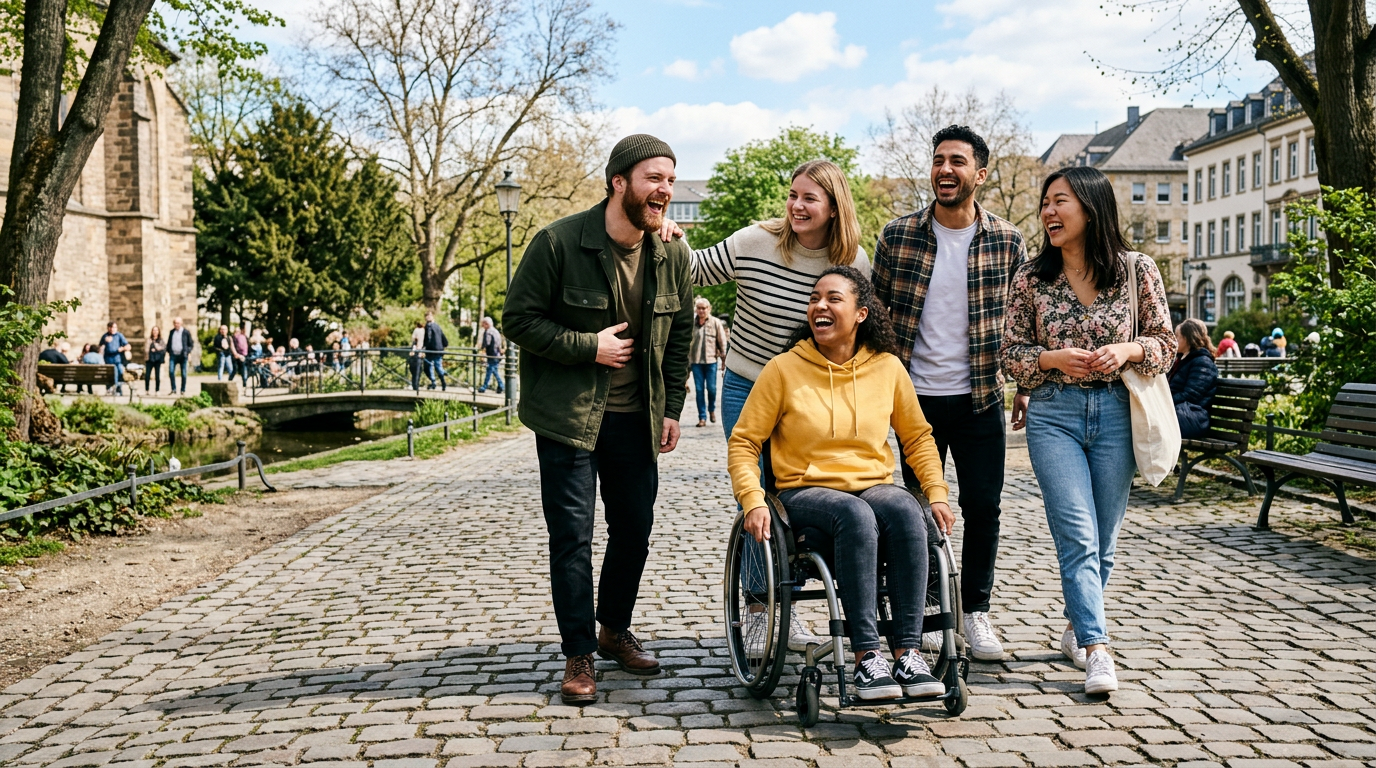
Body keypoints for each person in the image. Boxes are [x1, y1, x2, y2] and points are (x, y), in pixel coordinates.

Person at [504, 134, 693, 705]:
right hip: (568, 419)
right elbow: (519, 319)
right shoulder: (558, 243)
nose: (664, 190)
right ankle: (578, 652)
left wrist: (674, 408)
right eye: (653, 178)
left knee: (634, 529)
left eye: (669, 180)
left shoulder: (672, 252)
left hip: (637, 419)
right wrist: (588, 347)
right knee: (572, 538)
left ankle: (613, 629)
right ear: (619, 182)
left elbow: (680, 333)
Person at [662, 159, 870, 650]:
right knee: (755, 496)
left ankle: (792, 599)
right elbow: (693, 270)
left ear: (834, 206)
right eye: (793, 195)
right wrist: (670, 233)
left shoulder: (854, 262)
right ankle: (761, 610)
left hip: (812, 395)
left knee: (802, 495)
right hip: (747, 385)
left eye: (810, 198)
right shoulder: (756, 241)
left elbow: (862, 329)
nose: (797, 206)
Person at [729, 266, 956, 700]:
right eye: (815, 298)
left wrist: (937, 493)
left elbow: (917, 438)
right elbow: (744, 442)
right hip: (804, 494)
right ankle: (867, 658)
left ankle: (908, 654)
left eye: (833, 299)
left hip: (871, 486)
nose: (819, 305)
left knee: (908, 508)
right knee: (854, 513)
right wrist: (753, 499)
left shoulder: (887, 368)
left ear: (861, 313)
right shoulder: (783, 369)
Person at [1000, 165, 1175, 695]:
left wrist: (1130, 349)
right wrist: (1051, 358)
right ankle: (1099, 649)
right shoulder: (1031, 277)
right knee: (1076, 533)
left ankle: (1077, 623)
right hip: (1054, 416)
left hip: (1120, 414)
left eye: (1061, 201)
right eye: (1046, 203)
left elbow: (1167, 344)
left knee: (1103, 540)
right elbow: (1009, 355)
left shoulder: (1136, 270)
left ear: (1092, 207)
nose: (1049, 212)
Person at [871, 124, 1028, 662]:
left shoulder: (1008, 241)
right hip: (916, 402)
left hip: (981, 398)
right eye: (939, 160)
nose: (945, 170)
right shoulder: (898, 236)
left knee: (983, 508)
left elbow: (1020, 322)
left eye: (957, 162)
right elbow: (879, 319)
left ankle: (976, 613)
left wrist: (1024, 384)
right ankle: (932, 613)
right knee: (916, 511)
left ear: (980, 175)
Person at [1170, 319, 1219, 439]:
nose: (1174, 340)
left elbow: (1191, 395)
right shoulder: (1180, 360)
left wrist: (1165, 403)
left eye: (1177, 336)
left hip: (1193, 418)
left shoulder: (1203, 362)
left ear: (1188, 338)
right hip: (1179, 413)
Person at [688, 297, 727, 428]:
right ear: (696, 309)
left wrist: (723, 360)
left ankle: (711, 409)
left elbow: (722, 342)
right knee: (699, 390)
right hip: (696, 361)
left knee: (711, 389)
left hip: (711, 361)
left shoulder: (715, 322)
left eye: (704, 308)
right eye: (699, 308)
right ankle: (702, 417)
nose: (701, 311)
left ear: (709, 309)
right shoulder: (691, 324)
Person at [99, 322, 131, 395]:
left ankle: (118, 389)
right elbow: (100, 347)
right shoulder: (105, 336)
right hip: (108, 359)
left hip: (117, 359)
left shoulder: (119, 336)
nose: (112, 329)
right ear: (108, 328)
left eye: (114, 327)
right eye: (111, 327)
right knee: (109, 374)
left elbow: (128, 346)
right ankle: (109, 389)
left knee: (120, 373)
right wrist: (105, 342)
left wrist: (122, 348)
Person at [166, 317, 194, 395]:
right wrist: (169, 351)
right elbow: (169, 343)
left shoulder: (186, 332)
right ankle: (173, 389)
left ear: (181, 323)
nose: (176, 324)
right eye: (175, 323)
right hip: (173, 355)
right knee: (171, 372)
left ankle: (183, 390)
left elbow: (191, 344)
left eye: (178, 323)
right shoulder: (172, 332)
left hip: (183, 355)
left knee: (184, 374)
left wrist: (188, 352)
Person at [477, 317, 504, 394]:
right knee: (493, 370)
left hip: (492, 354)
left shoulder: (488, 332)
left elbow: (487, 343)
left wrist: (482, 349)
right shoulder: (496, 331)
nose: (482, 326)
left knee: (491, 369)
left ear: (486, 324)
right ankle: (499, 386)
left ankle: (487, 386)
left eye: (483, 324)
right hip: (497, 354)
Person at [423, 311, 449, 390]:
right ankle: (443, 382)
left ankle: (434, 382)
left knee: (429, 365)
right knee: (438, 366)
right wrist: (445, 344)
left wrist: (424, 346)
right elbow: (442, 336)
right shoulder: (437, 326)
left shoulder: (428, 326)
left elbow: (428, 338)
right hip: (439, 349)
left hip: (432, 350)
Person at [144, 326, 166, 394]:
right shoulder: (149, 340)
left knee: (157, 375)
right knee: (147, 375)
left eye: (156, 330)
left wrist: (156, 348)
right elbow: (145, 349)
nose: (155, 332)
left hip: (157, 360)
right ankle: (147, 390)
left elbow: (163, 349)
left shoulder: (161, 340)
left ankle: (157, 390)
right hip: (149, 359)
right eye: (154, 330)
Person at [409, 319, 426, 391]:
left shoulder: (417, 330)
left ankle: (415, 386)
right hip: (419, 350)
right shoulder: (423, 331)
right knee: (417, 370)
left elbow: (414, 340)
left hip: (417, 350)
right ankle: (416, 386)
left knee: (415, 370)